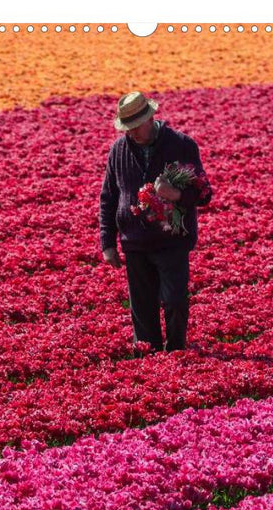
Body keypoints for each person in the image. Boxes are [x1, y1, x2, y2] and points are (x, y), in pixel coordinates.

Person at [99, 91, 212, 353]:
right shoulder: (119, 150)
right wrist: (107, 242)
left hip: (171, 240)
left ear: (150, 118)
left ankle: (176, 354)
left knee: (174, 301)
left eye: (135, 127)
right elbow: (109, 197)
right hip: (134, 242)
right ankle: (150, 367)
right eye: (127, 128)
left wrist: (175, 195)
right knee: (142, 310)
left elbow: (205, 194)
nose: (131, 133)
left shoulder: (181, 145)